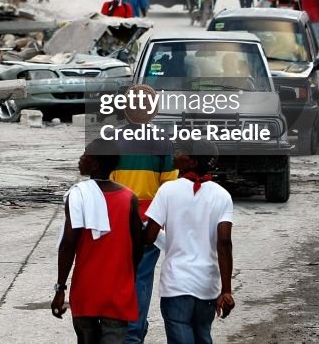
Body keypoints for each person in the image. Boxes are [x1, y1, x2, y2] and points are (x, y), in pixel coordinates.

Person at [52, 138, 142, 343]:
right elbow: (138, 248)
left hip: (86, 289)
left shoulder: (78, 194)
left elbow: (68, 244)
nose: (80, 159)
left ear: (95, 164)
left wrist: (60, 288)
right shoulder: (129, 198)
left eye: (85, 156)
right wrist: (129, 279)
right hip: (118, 291)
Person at [141, 145, 234, 344]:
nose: (175, 155)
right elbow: (224, 243)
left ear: (192, 162)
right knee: (203, 335)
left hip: (176, 284)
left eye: (181, 152)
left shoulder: (168, 190)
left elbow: (149, 237)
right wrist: (226, 290)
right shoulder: (222, 195)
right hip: (207, 285)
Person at [112, 85, 178, 344]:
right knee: (141, 277)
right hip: (148, 220)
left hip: (117, 220)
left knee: (118, 277)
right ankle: (134, 332)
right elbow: (168, 187)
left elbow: (104, 184)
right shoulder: (163, 142)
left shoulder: (111, 141)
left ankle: (118, 330)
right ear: (155, 111)